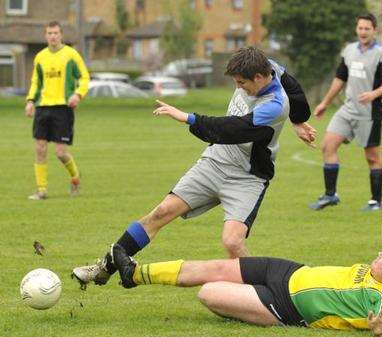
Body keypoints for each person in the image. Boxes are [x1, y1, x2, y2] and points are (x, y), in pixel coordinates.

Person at [72, 47, 315, 288]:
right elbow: (292, 84)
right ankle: (104, 267)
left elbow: (232, 129)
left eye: (242, 83)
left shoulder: (274, 106)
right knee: (161, 212)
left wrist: (190, 118)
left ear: (260, 78)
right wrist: (299, 120)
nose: (239, 88)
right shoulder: (269, 65)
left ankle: (259, 295)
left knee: (232, 242)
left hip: (247, 177)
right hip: (216, 160)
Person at [110, 242, 382, 337]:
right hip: (290, 270)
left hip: (286, 307)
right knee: (217, 266)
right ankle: (135, 273)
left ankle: (252, 307)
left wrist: (381, 329)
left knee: (208, 292)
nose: (380, 254)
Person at [309, 13, 382, 211]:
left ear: (375, 30)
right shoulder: (348, 50)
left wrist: (373, 94)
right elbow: (340, 78)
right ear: (356, 29)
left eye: (367, 28)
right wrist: (325, 103)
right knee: (327, 146)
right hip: (347, 109)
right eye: (360, 28)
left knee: (372, 157)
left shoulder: (381, 53)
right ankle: (330, 195)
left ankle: (375, 201)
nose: (363, 32)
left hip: (370, 113)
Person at [25, 21, 89, 200]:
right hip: (43, 107)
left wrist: (78, 95)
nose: (53, 36)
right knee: (40, 148)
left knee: (60, 152)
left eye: (55, 33)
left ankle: (75, 177)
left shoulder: (71, 55)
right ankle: (41, 190)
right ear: (45, 36)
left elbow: (84, 77)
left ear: (61, 35)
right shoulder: (40, 57)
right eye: (49, 33)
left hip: (63, 108)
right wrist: (30, 101)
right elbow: (36, 83)